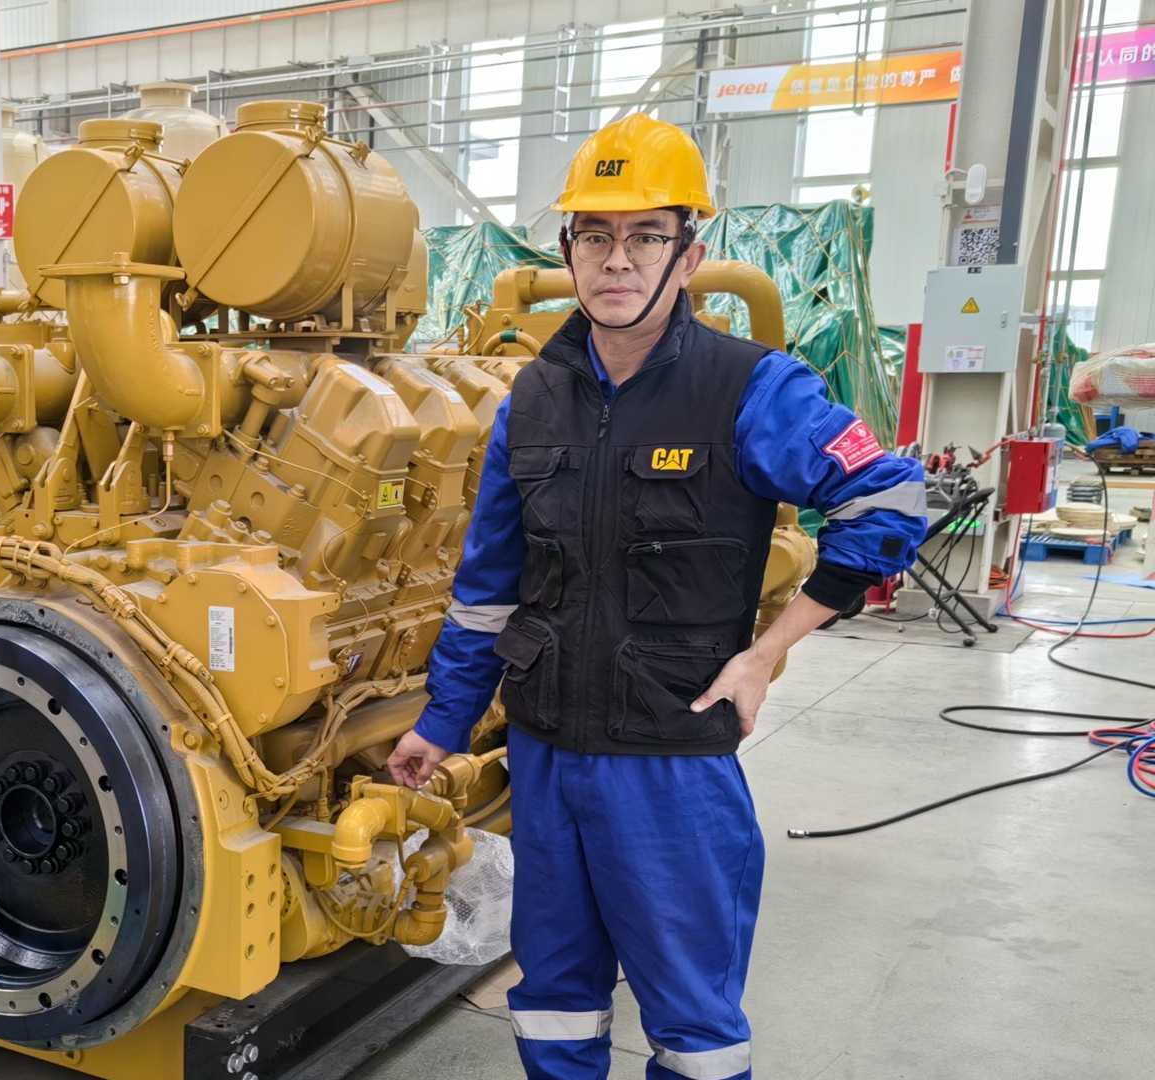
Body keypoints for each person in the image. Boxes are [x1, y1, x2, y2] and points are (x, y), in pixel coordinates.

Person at [387, 113, 926, 1080]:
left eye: (645, 235)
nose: (617, 260)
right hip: (546, 754)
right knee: (554, 996)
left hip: (671, 761)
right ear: (567, 251)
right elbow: (487, 588)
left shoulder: (750, 388)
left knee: (692, 1021)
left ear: (689, 253)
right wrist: (445, 720)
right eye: (594, 235)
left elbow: (889, 501)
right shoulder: (530, 401)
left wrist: (767, 652)